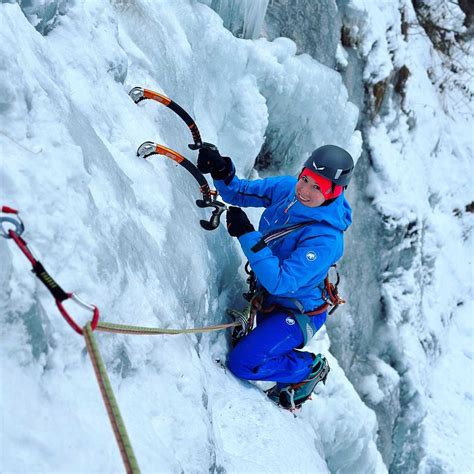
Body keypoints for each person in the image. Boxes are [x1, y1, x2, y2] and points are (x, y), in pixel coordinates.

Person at [198, 144, 354, 409]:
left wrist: (247, 234)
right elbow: (238, 190)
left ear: (334, 192)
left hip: (297, 313)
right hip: (271, 299)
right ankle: (271, 343)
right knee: (254, 348)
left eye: (317, 187)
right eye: (305, 179)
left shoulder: (326, 239)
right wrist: (221, 171)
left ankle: (307, 369)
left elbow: (281, 282)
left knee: (242, 362)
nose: (304, 190)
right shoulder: (288, 190)